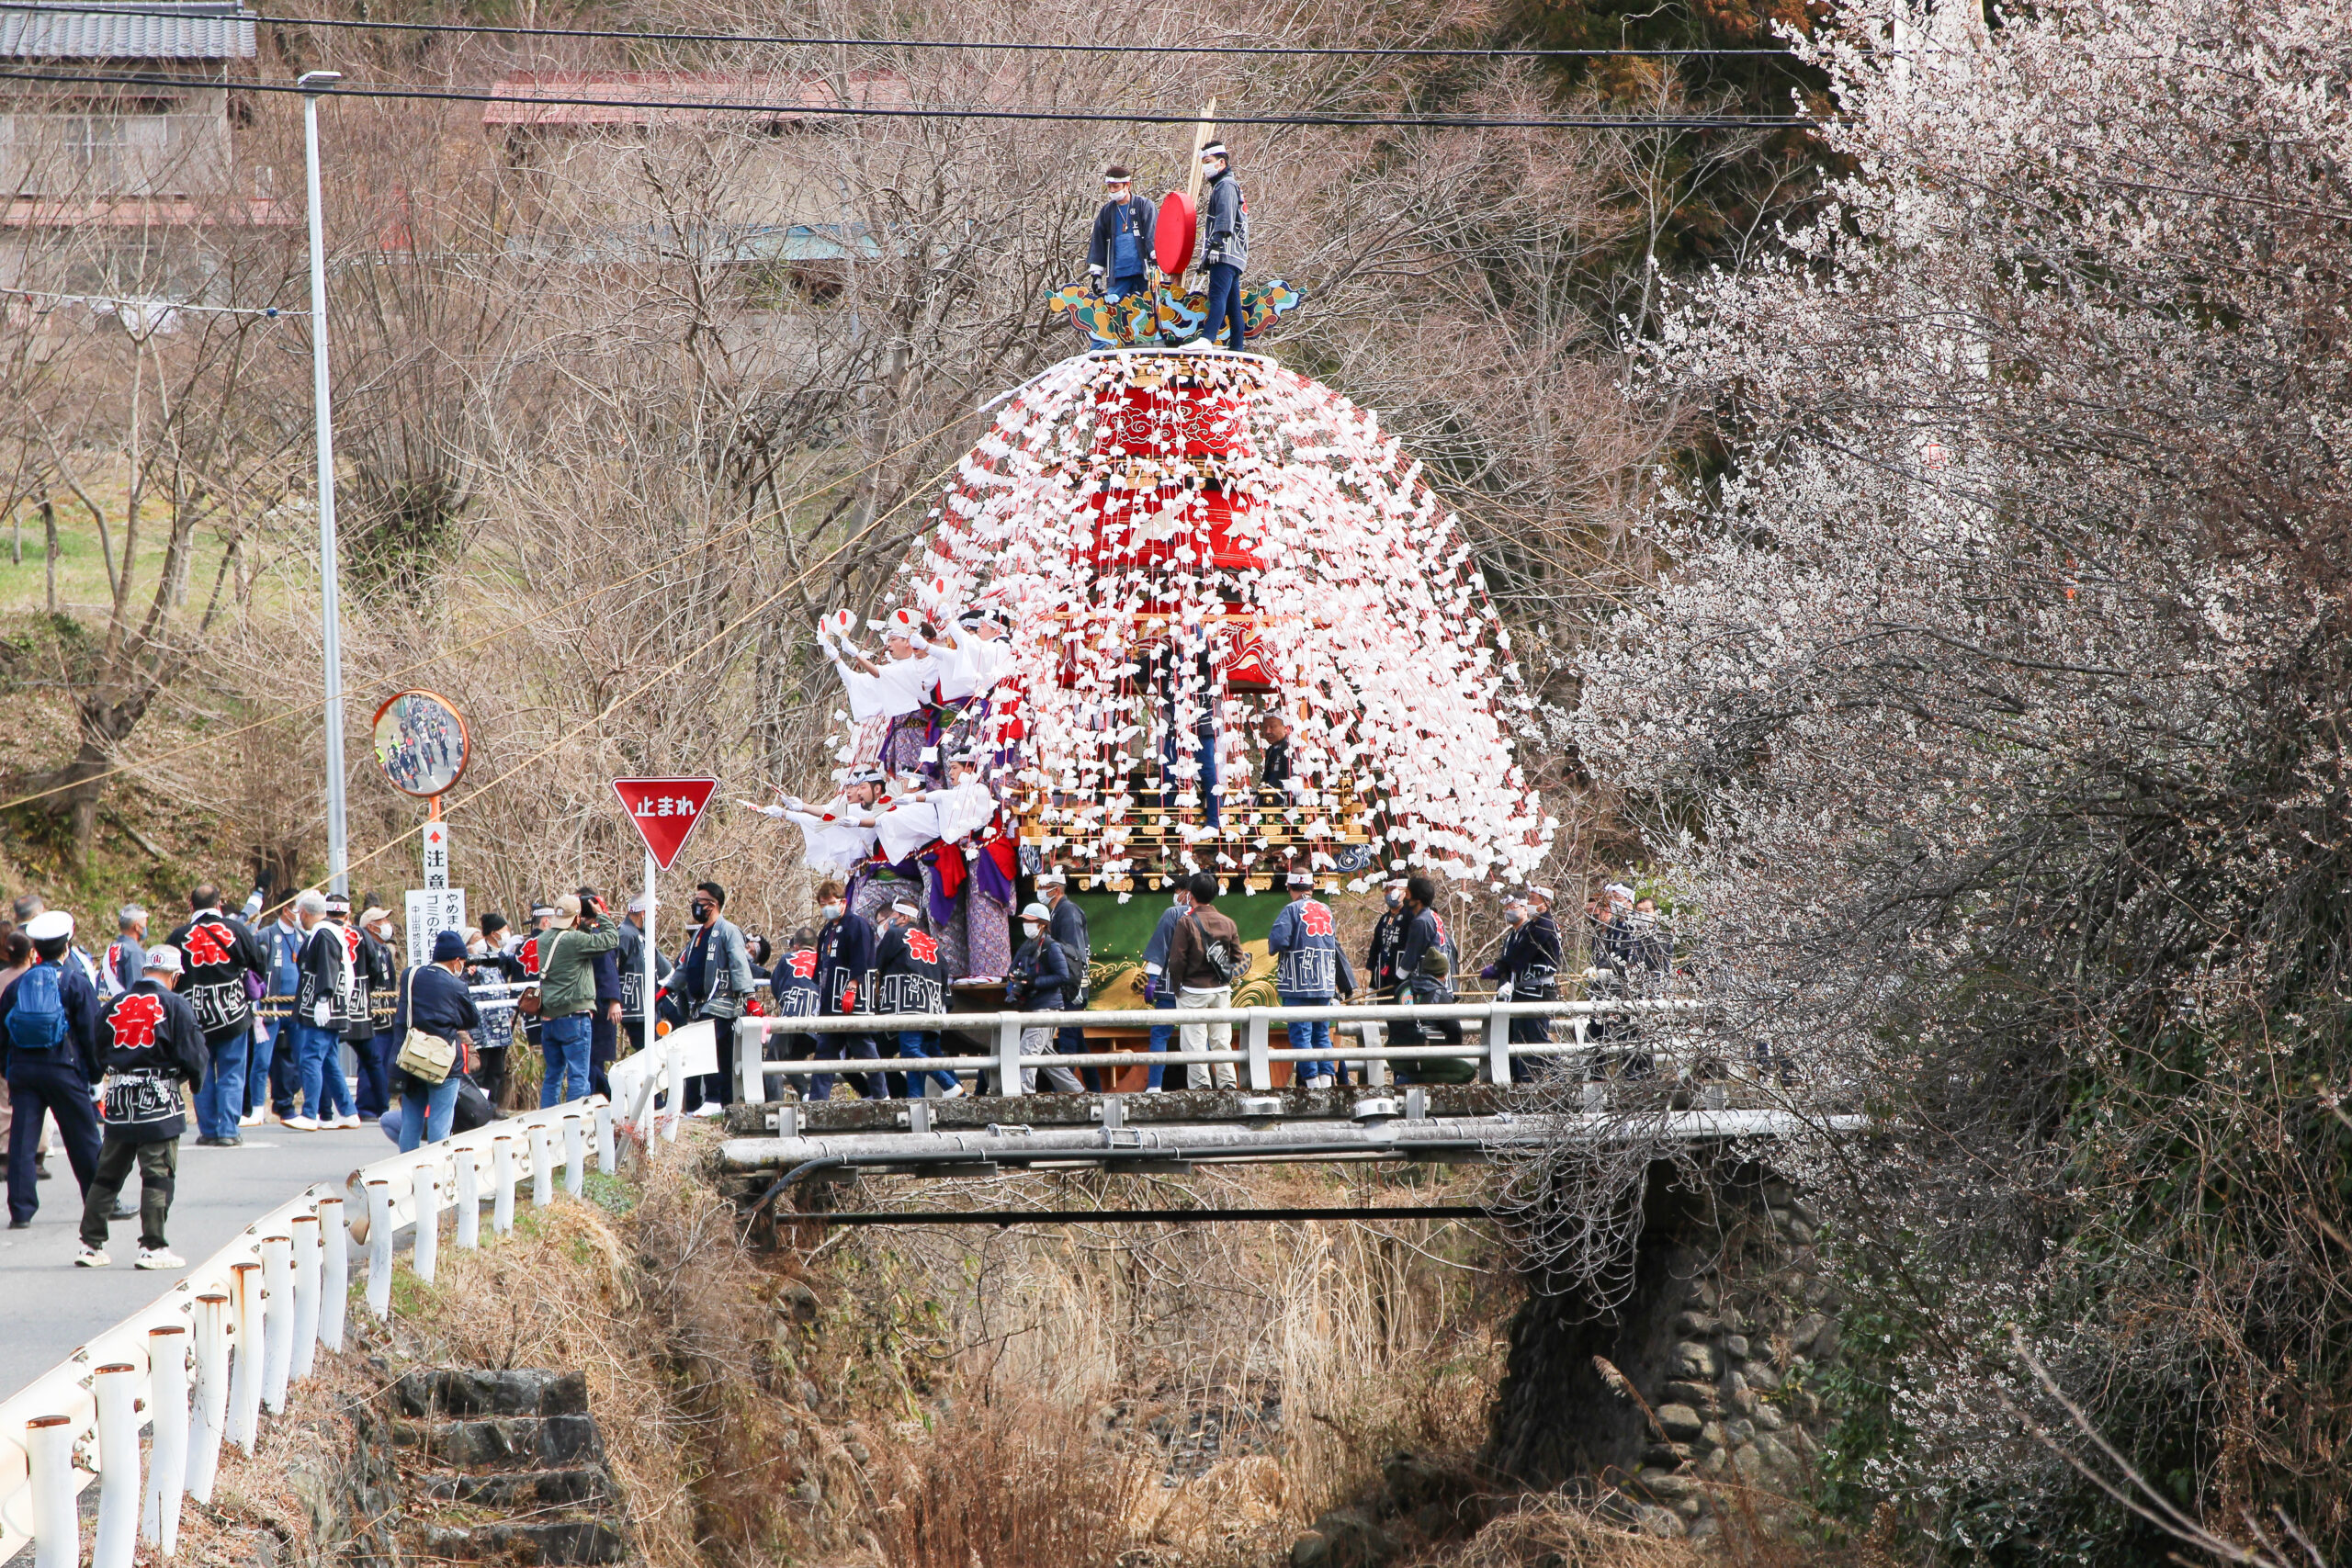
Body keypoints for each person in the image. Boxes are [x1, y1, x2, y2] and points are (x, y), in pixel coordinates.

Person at [75, 945, 207, 1269]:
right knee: (157, 1173)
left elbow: (96, 1048)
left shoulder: (115, 1004)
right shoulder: (175, 1004)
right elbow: (194, 1053)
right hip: (158, 1098)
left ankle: (90, 1244)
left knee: (107, 1173)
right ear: (175, 977)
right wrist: (194, 1080)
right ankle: (153, 1245)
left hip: (120, 1097)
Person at [3, 911, 103, 1229]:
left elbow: (2, 1033)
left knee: (22, 1140)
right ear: (67, 945)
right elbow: (90, 1034)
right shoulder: (75, 983)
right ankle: (100, 1201)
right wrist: (95, 1074)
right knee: (83, 1137)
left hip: (23, 1071)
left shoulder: (17, 986)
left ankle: (21, 1209)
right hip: (63, 1068)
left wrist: (8, 1069)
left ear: (36, 948)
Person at [169, 884, 267, 1147]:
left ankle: (209, 1129)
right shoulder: (236, 931)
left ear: (191, 906)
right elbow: (259, 962)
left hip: (193, 1017)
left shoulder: (179, 936)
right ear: (219, 904)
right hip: (232, 1014)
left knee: (200, 1074)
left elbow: (168, 977)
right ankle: (228, 1129)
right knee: (232, 1072)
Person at [389, 931, 484, 1150]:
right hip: (443, 1062)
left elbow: (404, 1016)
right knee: (440, 1124)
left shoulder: (410, 975)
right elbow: (471, 1019)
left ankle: (407, 1170)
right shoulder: (456, 985)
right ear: (456, 960)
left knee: (411, 1122)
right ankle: (434, 1174)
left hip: (413, 1057)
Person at [672, 882, 754, 1111]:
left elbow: (739, 963)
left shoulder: (728, 931)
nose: (695, 905)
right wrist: (667, 988)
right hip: (701, 1005)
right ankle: (720, 1102)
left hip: (722, 1002)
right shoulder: (699, 933)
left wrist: (750, 997)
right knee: (715, 1053)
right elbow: (685, 966)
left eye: (699, 900)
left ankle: (716, 1099)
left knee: (710, 1051)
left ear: (713, 904)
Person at [1268, 871, 1354, 1085]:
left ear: (1289, 887)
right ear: (1312, 887)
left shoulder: (1291, 910)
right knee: (1321, 1035)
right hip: (1324, 982)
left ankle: (1311, 1084)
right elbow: (1334, 945)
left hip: (1299, 983)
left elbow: (1277, 942)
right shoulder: (1325, 910)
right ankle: (1326, 1082)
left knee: (1301, 1036)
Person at [536, 893, 619, 1107]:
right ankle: (573, 1124)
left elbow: (568, 941)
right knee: (578, 1076)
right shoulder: (575, 940)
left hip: (549, 1017)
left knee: (553, 1075)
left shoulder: (543, 939)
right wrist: (601, 916)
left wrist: (581, 925)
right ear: (576, 918)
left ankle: (546, 1124)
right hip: (574, 1017)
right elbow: (611, 939)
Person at [288, 891, 363, 1130]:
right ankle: (348, 1111)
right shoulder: (327, 932)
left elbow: (328, 966)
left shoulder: (324, 934)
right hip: (332, 1006)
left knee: (311, 1057)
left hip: (324, 1006)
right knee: (329, 1060)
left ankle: (310, 1113)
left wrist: (323, 998)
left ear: (304, 912)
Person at [873, 899, 961, 1098]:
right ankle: (916, 1099)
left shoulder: (895, 934)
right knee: (924, 1053)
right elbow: (944, 973)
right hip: (932, 1005)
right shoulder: (930, 940)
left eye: (889, 918)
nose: (883, 926)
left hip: (907, 1003)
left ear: (903, 917)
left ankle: (950, 1086)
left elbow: (877, 966)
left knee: (911, 1051)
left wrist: (874, 1002)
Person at [1165, 872, 1244, 1089]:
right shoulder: (1228, 923)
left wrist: (1177, 986)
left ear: (1190, 894)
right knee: (1221, 1040)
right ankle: (1228, 1084)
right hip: (1221, 990)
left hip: (1192, 990)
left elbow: (1177, 959)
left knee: (1194, 1043)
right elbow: (1238, 958)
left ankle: (1201, 1088)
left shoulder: (1186, 922)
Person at [808, 879, 882, 1101]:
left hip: (853, 1000)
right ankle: (817, 1100)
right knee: (825, 1053)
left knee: (864, 1050)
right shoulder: (826, 932)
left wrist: (853, 986)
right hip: (830, 1003)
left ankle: (881, 1096)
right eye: (822, 904)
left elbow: (862, 958)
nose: (826, 908)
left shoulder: (856, 924)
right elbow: (820, 966)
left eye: (830, 902)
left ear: (843, 902)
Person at [1482, 887, 1563, 1082]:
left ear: (1546, 902)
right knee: (1520, 1039)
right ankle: (1523, 1079)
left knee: (1535, 1038)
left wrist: (1501, 967)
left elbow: (1521, 955)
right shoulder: (1526, 930)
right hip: (1522, 991)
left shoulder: (1544, 926)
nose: (1530, 902)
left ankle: (1558, 1075)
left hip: (1538, 990)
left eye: (1533, 899)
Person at [1005, 902, 1083, 1093]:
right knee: (1047, 1058)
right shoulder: (1027, 946)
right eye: (1024, 921)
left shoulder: (1051, 947)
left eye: (1031, 921)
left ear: (1042, 924)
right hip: (1034, 1006)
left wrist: (1033, 981)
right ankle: (1077, 1092)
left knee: (1027, 1052)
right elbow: (1012, 970)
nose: (1026, 925)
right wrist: (1016, 979)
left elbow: (1062, 976)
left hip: (1047, 1007)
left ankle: (1025, 1096)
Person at [251, 897, 307, 1126]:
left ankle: (298, 1105)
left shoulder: (305, 936)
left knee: (303, 1059)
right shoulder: (266, 935)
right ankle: (256, 1108)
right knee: (262, 1059)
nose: (300, 915)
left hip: (297, 1006)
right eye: (297, 910)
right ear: (286, 910)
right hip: (270, 1006)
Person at [1136, 883, 1194, 1092]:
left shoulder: (1172, 913)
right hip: (1199, 987)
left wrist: (1152, 980)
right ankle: (1202, 1086)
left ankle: (1154, 1086)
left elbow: (1159, 947)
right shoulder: (1210, 914)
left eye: (1177, 891)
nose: (1176, 896)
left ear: (1187, 892)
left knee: (1160, 1035)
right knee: (1198, 1037)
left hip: (1171, 984)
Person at [1038, 872, 1094, 1084]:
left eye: (1044, 887)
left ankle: (1066, 1091)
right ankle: (1094, 1087)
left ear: (1056, 889)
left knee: (1069, 1040)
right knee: (1077, 1042)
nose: (1041, 891)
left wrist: (1077, 986)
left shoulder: (1068, 912)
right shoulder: (1057, 912)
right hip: (1068, 983)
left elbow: (1074, 954)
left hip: (1072, 985)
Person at [1195, 141, 1250, 352]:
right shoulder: (1228, 184)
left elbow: (1225, 217)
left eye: (1208, 162)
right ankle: (1237, 347)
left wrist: (1215, 246)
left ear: (1221, 163)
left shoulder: (1226, 184)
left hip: (1225, 252)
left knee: (1217, 295)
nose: (1205, 167)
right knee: (1233, 305)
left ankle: (1207, 338)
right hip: (1235, 254)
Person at [578, 885, 626, 1100]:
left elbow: (608, 967)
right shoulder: (578, 934)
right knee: (587, 1059)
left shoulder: (600, 933)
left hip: (599, 1001)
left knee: (593, 1057)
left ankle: (609, 1096)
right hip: (584, 1002)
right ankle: (606, 1097)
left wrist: (614, 999)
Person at [353, 908, 401, 1120]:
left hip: (387, 1014)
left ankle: (381, 1103)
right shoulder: (363, 948)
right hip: (370, 1015)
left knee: (383, 1062)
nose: (387, 924)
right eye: (383, 921)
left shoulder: (384, 950)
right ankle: (365, 1105)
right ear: (371, 926)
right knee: (370, 1060)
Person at [1088, 164, 1159, 305]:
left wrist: (1156, 257)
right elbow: (1098, 243)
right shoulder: (1107, 212)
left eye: (1116, 186)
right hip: (1118, 274)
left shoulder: (1144, 206)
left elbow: (1153, 234)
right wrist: (1096, 275)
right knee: (1113, 315)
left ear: (1127, 185)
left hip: (1143, 272)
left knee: (1148, 314)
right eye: (1109, 187)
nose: (1112, 191)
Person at [617, 894, 673, 1059]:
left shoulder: (642, 935)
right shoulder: (625, 934)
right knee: (648, 1054)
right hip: (635, 1009)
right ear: (643, 913)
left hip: (649, 1005)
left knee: (656, 1051)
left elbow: (664, 968)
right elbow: (612, 966)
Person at [1366, 879, 1409, 998]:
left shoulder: (1410, 917)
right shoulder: (1384, 918)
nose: (1389, 894)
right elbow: (1376, 947)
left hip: (1401, 978)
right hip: (1382, 974)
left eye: (1392, 890)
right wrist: (1372, 983)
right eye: (1386, 890)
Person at [101, 906, 148, 997]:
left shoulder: (111, 948)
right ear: (137, 926)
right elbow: (136, 992)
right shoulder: (134, 952)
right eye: (145, 921)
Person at [1257, 713, 1293, 803]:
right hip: (1269, 796)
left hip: (1284, 799)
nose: (1268, 731)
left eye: (1272, 727)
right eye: (1265, 728)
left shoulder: (1290, 748)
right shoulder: (1270, 750)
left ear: (1285, 728)